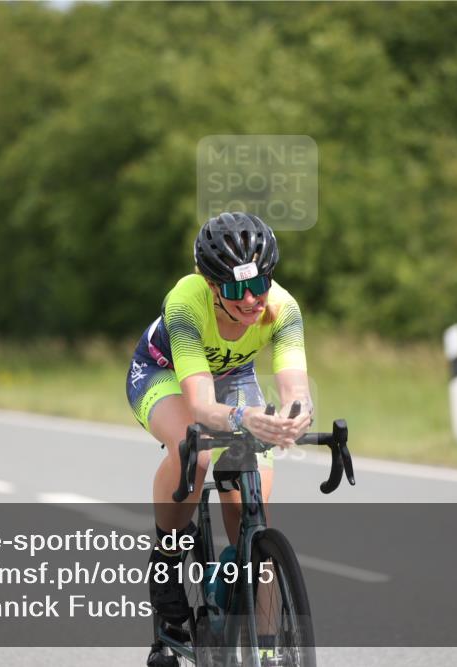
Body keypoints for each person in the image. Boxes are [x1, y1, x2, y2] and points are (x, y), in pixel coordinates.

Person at [125, 212, 314, 666]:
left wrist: (293, 418)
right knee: (196, 448)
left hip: (234, 378)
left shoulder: (282, 308)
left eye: (259, 284)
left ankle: (265, 646)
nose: (250, 300)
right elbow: (203, 406)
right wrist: (245, 417)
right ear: (210, 285)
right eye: (234, 289)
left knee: (252, 510)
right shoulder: (186, 301)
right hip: (166, 375)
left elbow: (295, 389)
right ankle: (168, 555)